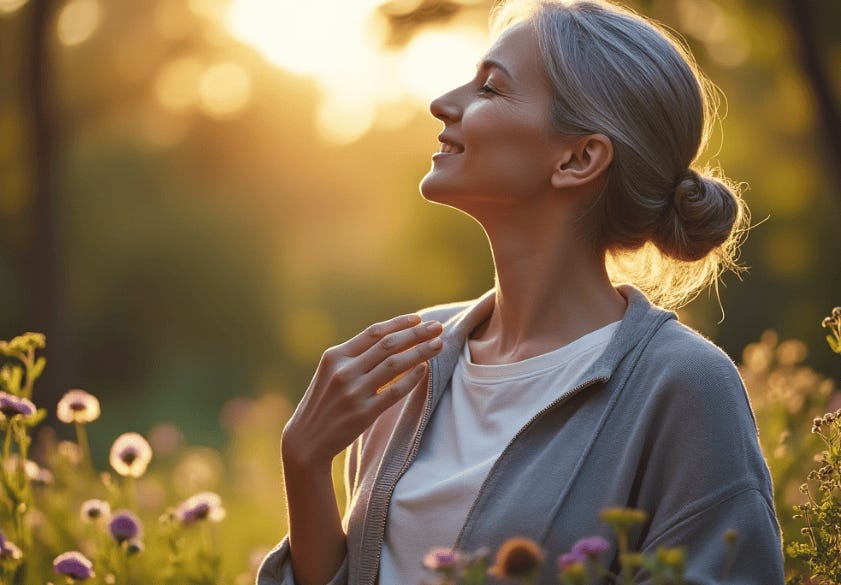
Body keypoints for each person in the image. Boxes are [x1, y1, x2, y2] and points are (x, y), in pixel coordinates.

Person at [258, 1, 785, 583]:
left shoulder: (682, 385)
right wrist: (305, 464)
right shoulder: (410, 359)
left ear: (579, 157)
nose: (443, 102)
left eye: (490, 88)